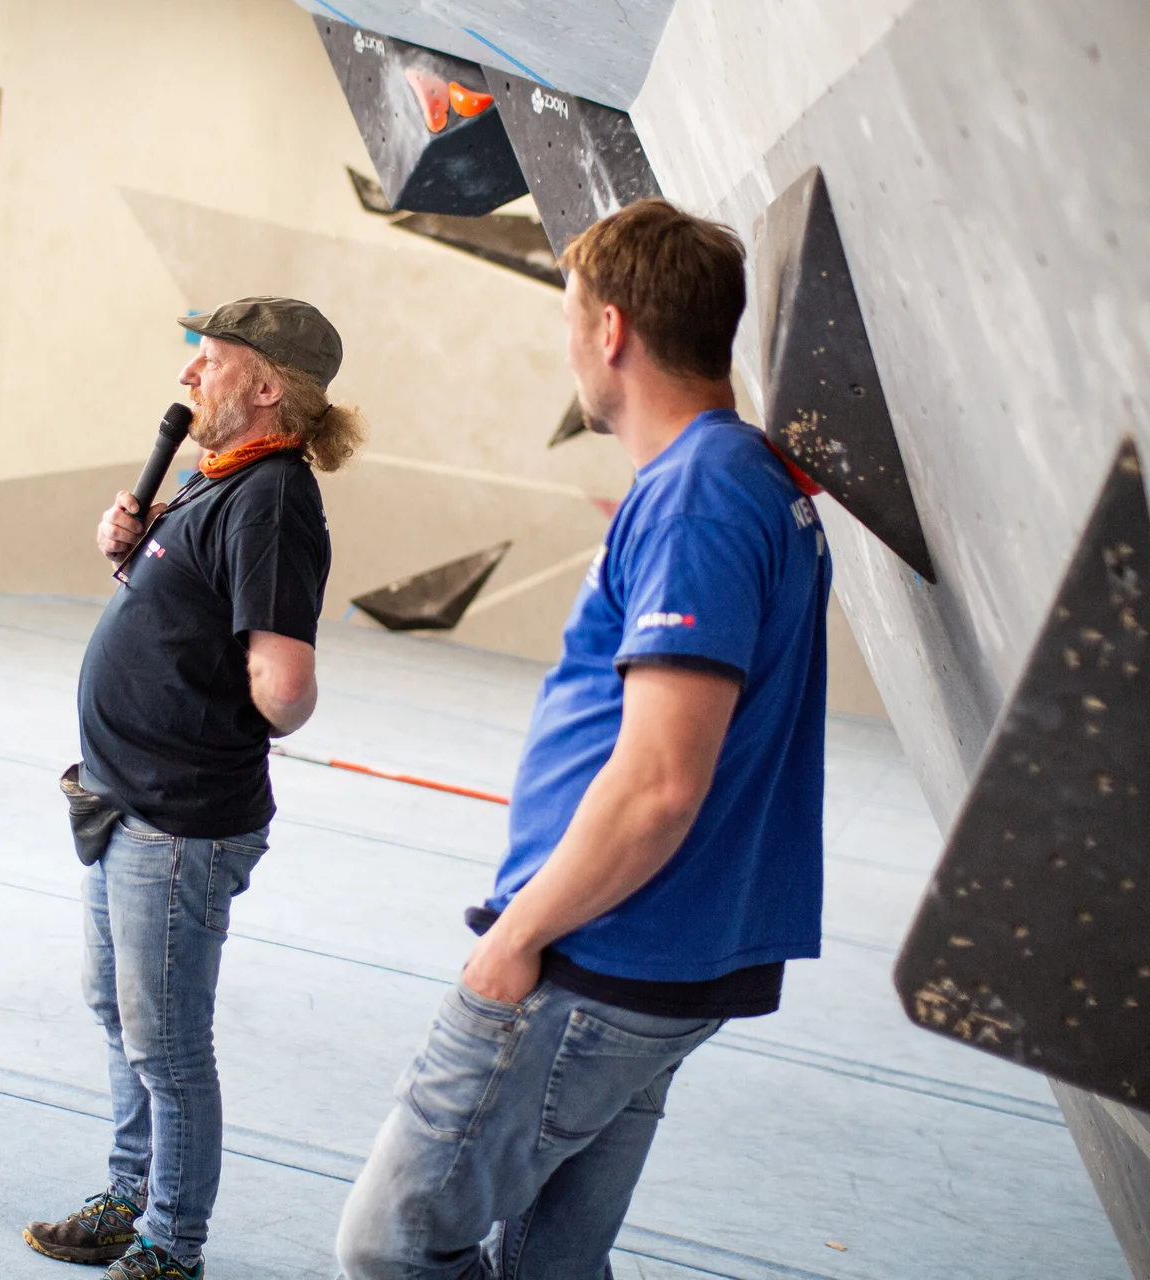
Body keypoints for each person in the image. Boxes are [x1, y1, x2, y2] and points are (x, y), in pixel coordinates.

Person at [335, 200, 833, 1279]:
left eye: (569, 319)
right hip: (667, 952)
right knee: (549, 1265)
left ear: (610, 329)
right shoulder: (748, 474)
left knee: (391, 1247)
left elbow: (658, 781)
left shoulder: (699, 496)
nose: (569, 344)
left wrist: (517, 937)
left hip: (602, 952)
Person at [24, 297, 365, 1280]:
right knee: (119, 1010)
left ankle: (172, 1241)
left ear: (266, 386)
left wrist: (252, 684)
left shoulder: (273, 499)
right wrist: (128, 542)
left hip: (177, 824)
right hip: (120, 801)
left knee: (167, 1042)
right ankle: (128, 1197)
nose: (187, 377)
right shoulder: (214, 480)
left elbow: (285, 687)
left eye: (207, 361)